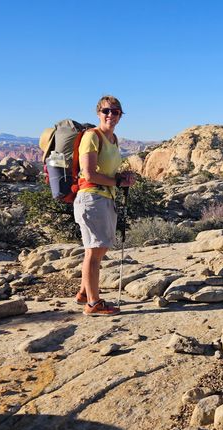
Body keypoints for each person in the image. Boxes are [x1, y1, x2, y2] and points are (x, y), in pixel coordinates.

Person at [74, 95, 136, 316]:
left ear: (120, 116)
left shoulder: (113, 139)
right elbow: (89, 174)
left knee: (98, 249)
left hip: (104, 198)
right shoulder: (92, 136)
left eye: (115, 112)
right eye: (106, 111)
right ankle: (93, 304)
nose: (111, 115)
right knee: (94, 251)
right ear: (98, 113)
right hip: (91, 198)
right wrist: (118, 181)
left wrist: (121, 177)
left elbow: (106, 171)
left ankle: (84, 292)